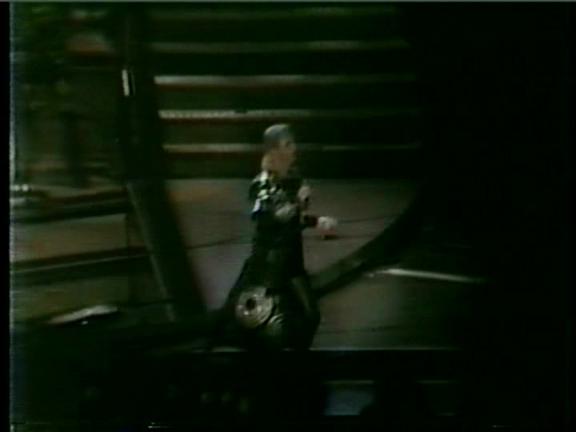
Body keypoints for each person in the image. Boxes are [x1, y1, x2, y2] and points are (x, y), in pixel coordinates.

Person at [225, 124, 337, 349]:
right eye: (287, 144)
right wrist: (298, 202)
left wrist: (316, 221)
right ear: (273, 150)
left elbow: (294, 218)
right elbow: (272, 215)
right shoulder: (262, 184)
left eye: (292, 143)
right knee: (266, 323)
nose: (294, 149)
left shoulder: (293, 178)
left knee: (309, 316)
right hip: (270, 266)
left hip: (291, 262)